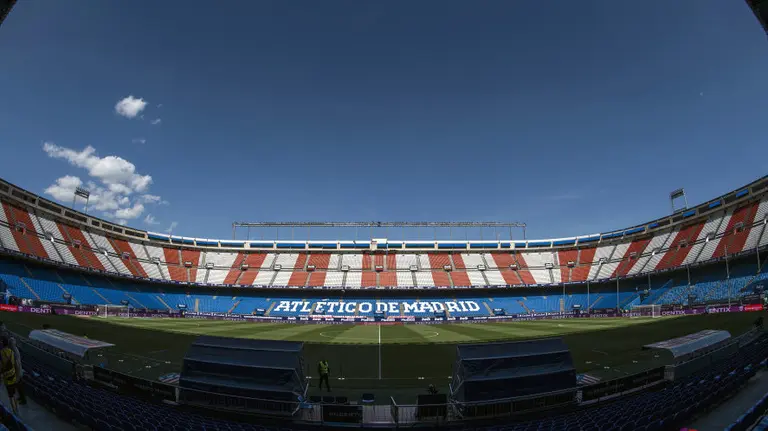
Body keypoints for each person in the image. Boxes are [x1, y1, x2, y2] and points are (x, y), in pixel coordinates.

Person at [0, 336, 18, 414]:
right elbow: (13, 363)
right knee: (14, 393)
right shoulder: (11, 352)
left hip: (6, 377)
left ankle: (14, 411)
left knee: (10, 396)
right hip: (13, 374)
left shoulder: (1, 353)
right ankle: (16, 408)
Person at [9, 338, 25, 405]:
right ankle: (21, 398)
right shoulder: (14, 349)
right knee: (19, 387)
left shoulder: (14, 351)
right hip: (17, 371)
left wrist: (17, 376)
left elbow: (17, 364)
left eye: (10, 343)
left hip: (18, 372)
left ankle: (23, 400)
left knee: (20, 387)